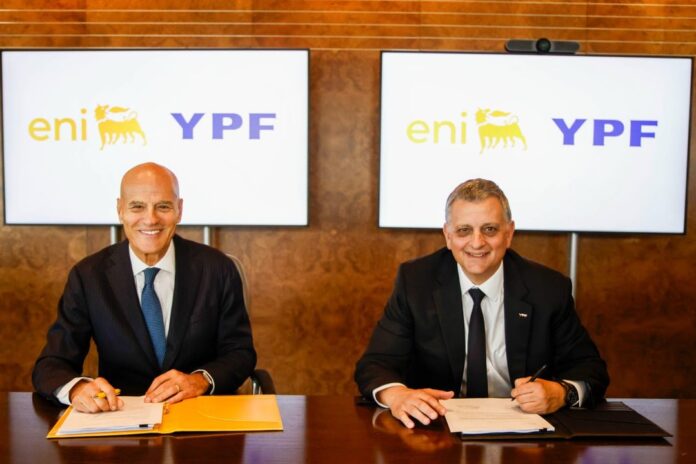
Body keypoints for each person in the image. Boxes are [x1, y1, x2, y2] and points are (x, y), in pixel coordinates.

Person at [355, 178, 609, 428]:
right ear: (447, 235)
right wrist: (398, 396)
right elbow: (375, 364)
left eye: (489, 229)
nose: (477, 243)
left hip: (524, 432)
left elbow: (590, 370)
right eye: (464, 230)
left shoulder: (548, 288)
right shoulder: (416, 282)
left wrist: (561, 392)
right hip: (437, 427)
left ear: (509, 233)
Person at [33, 162, 256, 413]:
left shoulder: (217, 269)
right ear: (120, 210)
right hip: (120, 418)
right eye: (137, 206)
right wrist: (77, 388)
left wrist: (200, 380)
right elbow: (52, 363)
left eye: (163, 206)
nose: (150, 219)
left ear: (179, 210)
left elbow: (240, 353)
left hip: (200, 413)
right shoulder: (89, 276)